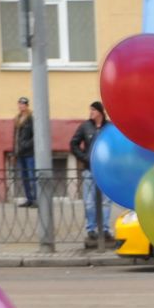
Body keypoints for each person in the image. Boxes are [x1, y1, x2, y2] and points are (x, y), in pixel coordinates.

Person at [68, 101, 110, 248]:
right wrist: (85, 158)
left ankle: (105, 230)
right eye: (90, 109)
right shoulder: (85, 126)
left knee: (105, 202)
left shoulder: (109, 127)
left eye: (93, 110)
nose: (90, 112)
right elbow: (73, 144)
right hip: (89, 170)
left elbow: (116, 145)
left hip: (105, 171)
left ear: (100, 111)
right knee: (89, 202)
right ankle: (91, 229)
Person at [14, 97, 38, 207]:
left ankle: (36, 200)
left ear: (27, 106)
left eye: (23, 104)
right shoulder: (17, 118)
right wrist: (15, 150)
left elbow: (35, 135)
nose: (21, 106)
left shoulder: (31, 119)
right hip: (20, 153)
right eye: (19, 104)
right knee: (25, 178)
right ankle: (29, 198)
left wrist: (26, 145)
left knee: (32, 176)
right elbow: (15, 137)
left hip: (29, 153)